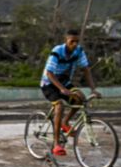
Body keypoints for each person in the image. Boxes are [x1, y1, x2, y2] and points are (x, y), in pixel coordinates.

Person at [40, 29, 101, 157]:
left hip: (64, 82)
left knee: (80, 99)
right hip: (49, 83)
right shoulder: (57, 51)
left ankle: (65, 123)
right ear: (66, 40)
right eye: (71, 41)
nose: (74, 44)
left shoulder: (78, 51)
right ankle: (56, 144)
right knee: (60, 106)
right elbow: (49, 73)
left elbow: (86, 69)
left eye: (77, 42)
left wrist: (93, 89)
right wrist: (61, 89)